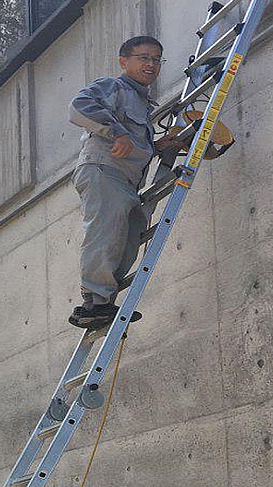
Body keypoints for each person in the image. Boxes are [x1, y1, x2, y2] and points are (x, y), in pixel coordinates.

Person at [67, 35, 174, 329]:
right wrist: (117, 133)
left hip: (126, 180)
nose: (151, 64)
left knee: (129, 238)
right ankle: (93, 302)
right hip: (103, 170)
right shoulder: (114, 87)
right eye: (144, 57)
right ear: (124, 62)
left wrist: (160, 145)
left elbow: (135, 144)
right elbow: (80, 106)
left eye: (156, 59)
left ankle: (104, 303)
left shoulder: (141, 102)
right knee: (105, 234)